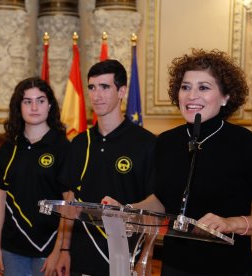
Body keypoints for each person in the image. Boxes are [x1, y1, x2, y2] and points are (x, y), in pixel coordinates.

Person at [106, 49, 252, 275]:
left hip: (227, 268)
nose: (191, 95)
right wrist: (128, 211)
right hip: (174, 266)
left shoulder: (249, 146)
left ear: (226, 97)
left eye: (203, 87)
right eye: (185, 87)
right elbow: (163, 200)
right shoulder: (166, 142)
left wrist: (233, 223)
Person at [55, 59, 157, 276]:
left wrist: (146, 259)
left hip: (125, 256)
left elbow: (155, 208)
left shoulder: (146, 143)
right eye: (92, 87)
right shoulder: (80, 143)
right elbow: (71, 200)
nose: (96, 95)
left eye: (105, 87)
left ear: (122, 91)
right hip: (81, 254)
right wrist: (63, 249)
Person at [0, 77, 70, 276]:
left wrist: (59, 250)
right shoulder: (9, 147)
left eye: (40, 100)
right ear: (19, 107)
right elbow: (0, 198)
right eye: (27, 101)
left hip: (48, 247)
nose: (34, 107)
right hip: (12, 248)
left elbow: (69, 201)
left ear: (49, 105)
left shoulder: (62, 146)